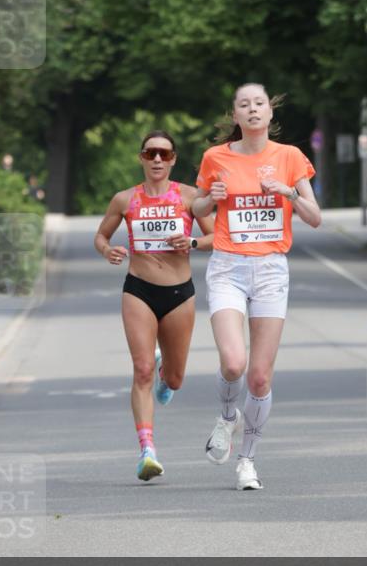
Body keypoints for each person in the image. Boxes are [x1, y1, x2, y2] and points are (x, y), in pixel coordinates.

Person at [193, 82, 321, 490]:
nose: (252, 110)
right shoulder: (216, 157)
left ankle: (247, 461)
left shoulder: (290, 158)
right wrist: (209, 199)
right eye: (244, 105)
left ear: (269, 113)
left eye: (259, 104)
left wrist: (289, 194)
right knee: (234, 363)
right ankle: (228, 416)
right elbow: (195, 206)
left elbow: (315, 217)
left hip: (270, 269)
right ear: (235, 116)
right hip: (228, 266)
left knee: (260, 377)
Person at [94, 130, 214, 482]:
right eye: (150, 154)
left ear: (173, 159)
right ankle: (147, 450)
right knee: (141, 370)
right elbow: (101, 235)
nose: (157, 160)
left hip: (179, 294)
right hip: (138, 290)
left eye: (164, 154)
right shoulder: (125, 199)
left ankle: (167, 373)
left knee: (174, 380)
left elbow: (217, 237)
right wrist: (107, 250)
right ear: (142, 158)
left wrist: (191, 241)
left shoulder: (190, 197)